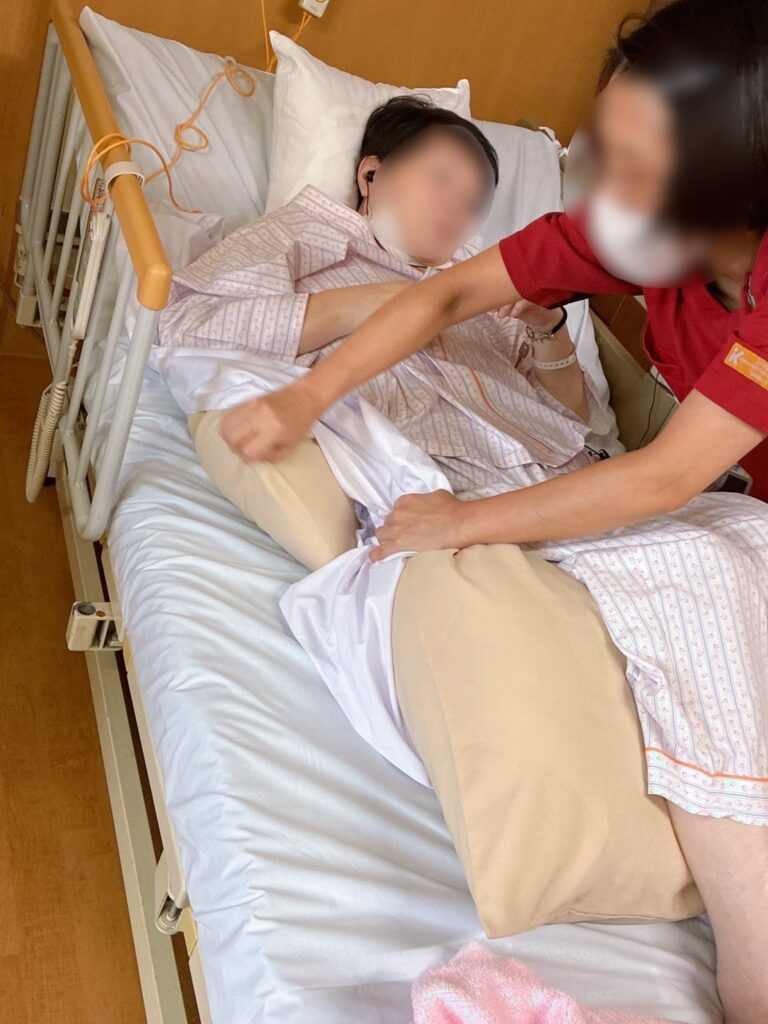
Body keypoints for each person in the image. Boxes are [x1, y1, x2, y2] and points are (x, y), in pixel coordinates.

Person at [216, 3, 768, 1022]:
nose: (606, 196)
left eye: (639, 171)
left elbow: (655, 476)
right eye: (604, 154)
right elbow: (438, 299)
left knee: (712, 569)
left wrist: (463, 522)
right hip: (704, 493)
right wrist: (307, 394)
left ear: (736, 184)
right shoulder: (638, 236)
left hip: (687, 491)